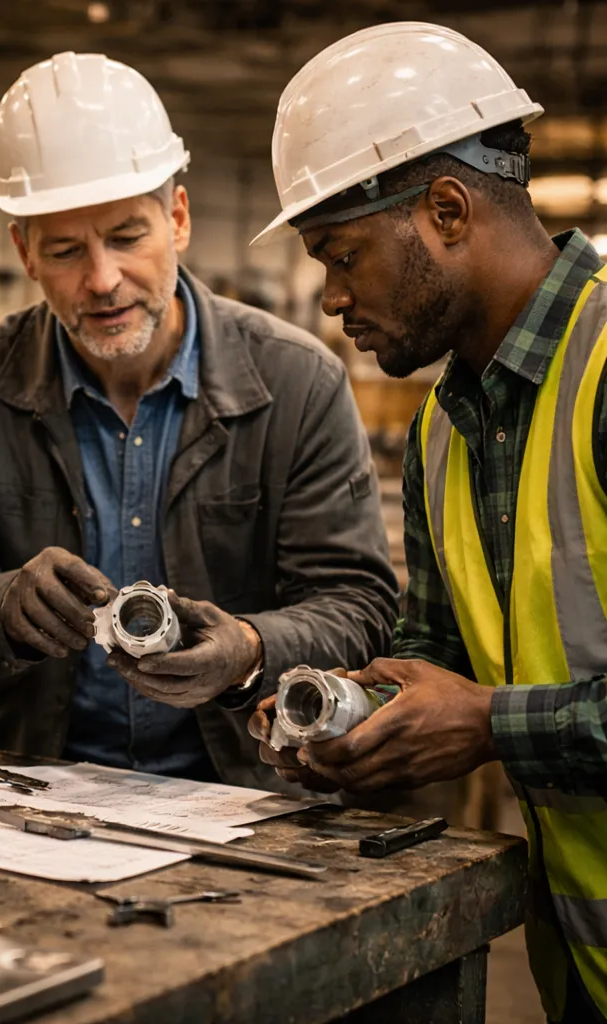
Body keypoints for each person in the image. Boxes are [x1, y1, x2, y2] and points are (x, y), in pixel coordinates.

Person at [0, 52, 398, 788]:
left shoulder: (295, 381)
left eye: (127, 237)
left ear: (178, 219)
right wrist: (1, 610)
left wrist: (250, 650)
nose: (101, 280)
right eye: (65, 250)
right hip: (35, 784)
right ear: (24, 253)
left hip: (242, 793)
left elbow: (360, 605)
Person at [248, 22, 607, 1022]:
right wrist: (348, 715)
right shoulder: (448, 432)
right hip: (576, 963)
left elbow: (478, 707)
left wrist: (489, 722)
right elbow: (433, 657)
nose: (331, 298)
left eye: (345, 254)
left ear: (446, 210)